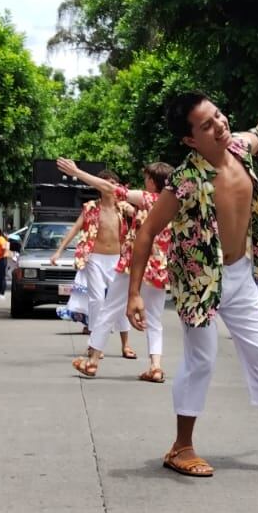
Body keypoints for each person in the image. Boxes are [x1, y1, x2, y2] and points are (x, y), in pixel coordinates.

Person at [125, 71, 258, 478]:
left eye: (219, 116)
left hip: (240, 274)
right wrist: (133, 293)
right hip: (200, 282)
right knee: (201, 359)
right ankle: (181, 447)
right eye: (207, 125)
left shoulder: (241, 148)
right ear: (190, 140)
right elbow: (147, 231)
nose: (220, 125)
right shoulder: (184, 181)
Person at [59, 158, 173, 382]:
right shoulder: (173, 203)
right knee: (154, 319)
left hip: (134, 265)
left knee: (109, 309)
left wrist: (77, 172)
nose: (144, 182)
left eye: (147, 178)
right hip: (159, 268)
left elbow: (110, 188)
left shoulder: (148, 198)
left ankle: (92, 361)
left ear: (152, 181)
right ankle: (156, 366)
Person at [51, 174, 135, 357]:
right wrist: (59, 251)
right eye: (107, 183)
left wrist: (132, 211)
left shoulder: (122, 207)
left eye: (113, 183)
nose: (110, 186)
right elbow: (75, 228)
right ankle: (97, 345)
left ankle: (126, 344)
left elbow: (138, 218)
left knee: (119, 302)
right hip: (95, 258)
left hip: (117, 259)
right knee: (96, 300)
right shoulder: (90, 207)